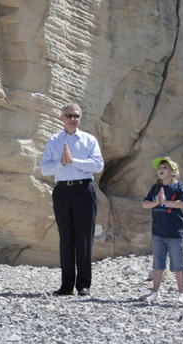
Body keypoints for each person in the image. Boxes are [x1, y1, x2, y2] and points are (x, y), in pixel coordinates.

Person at [40, 103, 104, 296]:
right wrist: (61, 163)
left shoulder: (88, 140)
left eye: (76, 115)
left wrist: (74, 161)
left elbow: (98, 165)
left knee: (84, 238)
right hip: (62, 191)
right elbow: (44, 169)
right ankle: (66, 285)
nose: (72, 118)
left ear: (80, 119)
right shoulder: (53, 141)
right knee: (66, 238)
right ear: (61, 118)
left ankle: (84, 284)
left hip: (84, 189)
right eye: (68, 115)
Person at [141, 157, 183, 304]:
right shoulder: (155, 188)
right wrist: (156, 202)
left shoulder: (180, 187)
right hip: (158, 233)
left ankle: (182, 294)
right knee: (158, 265)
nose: (161, 170)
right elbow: (144, 203)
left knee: (178, 265)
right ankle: (155, 292)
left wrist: (165, 202)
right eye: (160, 167)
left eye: (165, 167)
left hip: (175, 233)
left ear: (173, 171)